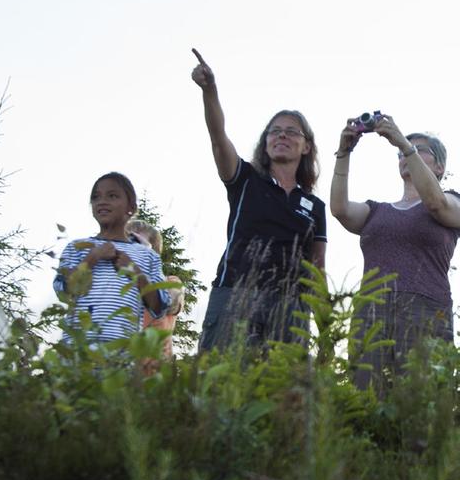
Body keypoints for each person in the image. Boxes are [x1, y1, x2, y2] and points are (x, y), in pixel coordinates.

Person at [191, 49, 326, 352]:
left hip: (289, 310)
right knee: (223, 392)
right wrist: (209, 91)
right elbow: (218, 137)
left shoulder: (314, 207)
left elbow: (317, 269)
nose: (282, 136)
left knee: (281, 397)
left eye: (292, 131)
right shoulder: (245, 179)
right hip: (234, 297)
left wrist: (326, 328)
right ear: (265, 143)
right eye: (274, 131)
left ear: (306, 146)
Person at [330, 116, 460, 390]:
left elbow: (436, 203)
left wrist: (402, 140)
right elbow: (340, 209)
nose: (405, 154)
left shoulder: (452, 201)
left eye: (418, 149)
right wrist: (344, 152)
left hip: (425, 310)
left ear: (439, 166)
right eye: (401, 153)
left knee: (420, 404)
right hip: (371, 313)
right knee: (365, 399)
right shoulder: (377, 211)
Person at [53, 173, 170, 344]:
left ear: (131, 207)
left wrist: (135, 272)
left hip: (121, 356)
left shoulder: (147, 255)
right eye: (96, 197)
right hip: (77, 353)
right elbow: (63, 290)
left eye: (112, 196)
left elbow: (160, 307)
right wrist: (92, 258)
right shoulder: (76, 248)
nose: (102, 201)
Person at [127, 219, 185, 363]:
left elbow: (169, 302)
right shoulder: (115, 284)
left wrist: (147, 260)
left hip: (154, 372)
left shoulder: (171, 282)